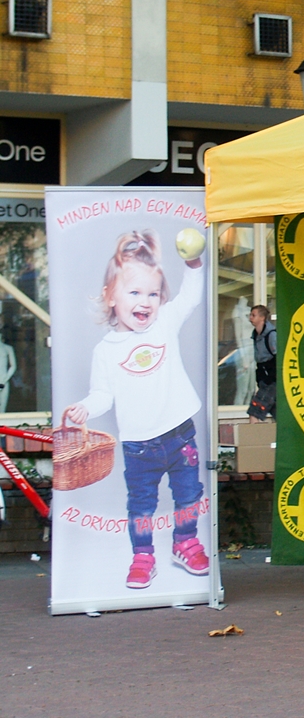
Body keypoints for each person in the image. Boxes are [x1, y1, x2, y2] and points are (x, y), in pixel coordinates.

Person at [64, 230, 209, 589]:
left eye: (153, 294)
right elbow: (103, 394)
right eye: (134, 292)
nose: (145, 302)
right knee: (141, 505)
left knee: (189, 495)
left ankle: (185, 542)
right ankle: (143, 556)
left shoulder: (165, 324)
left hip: (179, 434)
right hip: (139, 445)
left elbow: (191, 297)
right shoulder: (106, 350)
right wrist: (85, 407)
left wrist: (193, 264)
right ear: (110, 297)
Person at [247, 304, 276, 422]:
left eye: (253, 315)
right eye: (250, 315)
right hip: (264, 378)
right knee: (275, 410)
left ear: (262, 318)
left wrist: (271, 377)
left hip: (272, 379)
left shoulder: (271, 335)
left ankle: (252, 432)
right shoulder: (255, 335)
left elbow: (278, 357)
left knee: (255, 409)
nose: (250, 318)